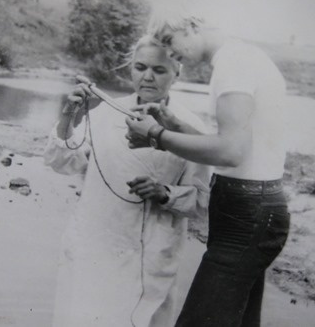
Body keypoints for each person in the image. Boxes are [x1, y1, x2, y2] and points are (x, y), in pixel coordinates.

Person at [125, 13, 291, 327]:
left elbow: (230, 152)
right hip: (252, 209)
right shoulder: (244, 56)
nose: (171, 54)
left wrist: (156, 134)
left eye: (170, 43)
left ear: (191, 27)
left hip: (248, 215)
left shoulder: (233, 63)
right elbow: (239, 150)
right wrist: (175, 126)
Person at [43, 35, 211, 327]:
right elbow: (63, 161)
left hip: (149, 258)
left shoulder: (190, 127)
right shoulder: (106, 112)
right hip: (94, 247)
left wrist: (164, 193)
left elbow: (201, 202)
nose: (147, 77)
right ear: (130, 68)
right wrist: (68, 116)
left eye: (159, 70)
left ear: (177, 72)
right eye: (140, 67)